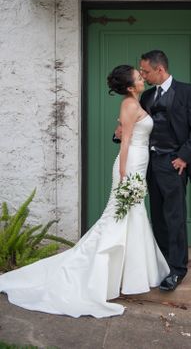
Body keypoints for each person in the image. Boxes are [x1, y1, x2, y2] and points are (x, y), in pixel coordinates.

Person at [0, 65, 169, 318]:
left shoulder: (136, 102)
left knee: (133, 216)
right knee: (120, 216)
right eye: (138, 75)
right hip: (131, 163)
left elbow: (121, 132)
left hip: (140, 162)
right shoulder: (130, 105)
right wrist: (124, 172)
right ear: (131, 86)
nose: (142, 77)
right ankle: (108, 274)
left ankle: (130, 275)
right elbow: (125, 140)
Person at [139, 50, 191, 291]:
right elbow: (138, 125)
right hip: (151, 163)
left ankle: (177, 270)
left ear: (160, 69)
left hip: (173, 164)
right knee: (157, 217)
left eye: (146, 71)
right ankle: (162, 265)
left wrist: (183, 157)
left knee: (175, 218)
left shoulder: (188, 92)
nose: (143, 75)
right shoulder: (147, 96)